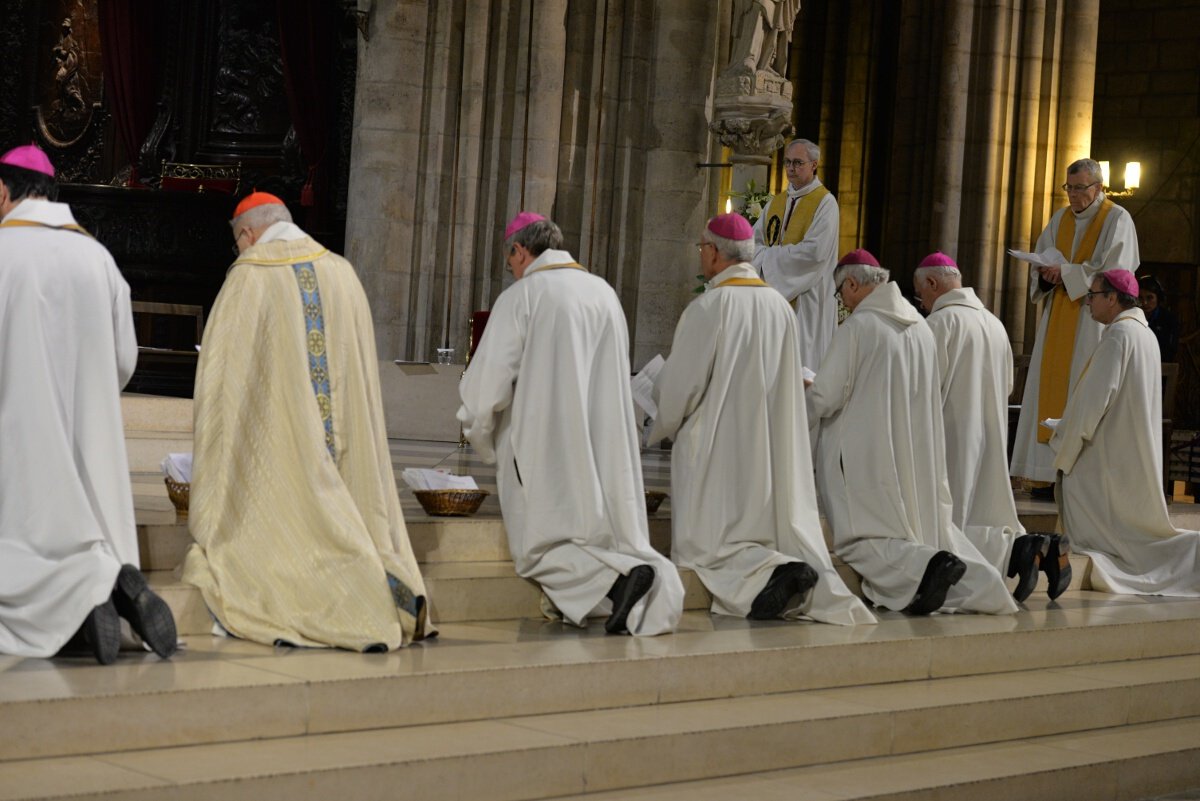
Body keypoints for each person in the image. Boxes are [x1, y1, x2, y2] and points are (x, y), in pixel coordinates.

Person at [183, 192, 433, 651]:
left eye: (238, 242)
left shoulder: (250, 277)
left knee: (274, 535)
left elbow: (221, 380)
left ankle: (335, 600)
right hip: (345, 450)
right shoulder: (342, 272)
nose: (241, 251)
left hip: (285, 452)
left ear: (247, 232)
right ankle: (383, 589)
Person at [458, 212, 684, 635]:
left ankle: (614, 583)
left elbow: (488, 383)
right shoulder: (603, 292)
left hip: (543, 441)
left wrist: (480, 434)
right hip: (601, 443)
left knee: (539, 545)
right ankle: (626, 572)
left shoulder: (523, 296)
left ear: (520, 251)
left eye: (510, 261)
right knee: (593, 527)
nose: (512, 270)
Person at [648, 214, 875, 625]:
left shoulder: (709, 307)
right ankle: (776, 566)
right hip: (767, 449)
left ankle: (765, 575)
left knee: (710, 546)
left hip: (717, 448)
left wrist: (657, 418)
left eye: (702, 247)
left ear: (715, 253)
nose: (701, 254)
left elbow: (680, 388)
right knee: (748, 529)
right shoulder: (778, 307)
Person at [0, 143, 176, 664]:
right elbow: (124, 359)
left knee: (27, 535)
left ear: (3, 191)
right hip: (86, 430)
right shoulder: (98, 257)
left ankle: (83, 594)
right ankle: (107, 587)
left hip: (20, 428)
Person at [807, 249, 1018, 616]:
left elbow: (825, 395)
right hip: (915, 454)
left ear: (853, 284)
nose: (843, 302)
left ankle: (925, 568)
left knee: (864, 539)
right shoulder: (920, 327)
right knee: (923, 530)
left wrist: (798, 403)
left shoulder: (859, 327)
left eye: (842, 294)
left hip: (866, 457)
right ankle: (982, 581)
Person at [915, 251, 1071, 601]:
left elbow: (921, 388)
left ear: (931, 283)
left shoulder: (938, 325)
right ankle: (1023, 547)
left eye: (921, 295)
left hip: (950, 436)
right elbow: (1008, 386)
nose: (922, 303)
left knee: (950, 519)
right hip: (992, 434)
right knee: (980, 513)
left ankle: (995, 562)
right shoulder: (995, 323)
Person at [1050, 270, 1200, 596]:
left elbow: (1093, 404)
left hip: (1108, 454)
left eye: (1093, 295)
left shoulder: (1118, 336)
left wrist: (1065, 444)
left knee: (1076, 485)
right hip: (1128, 448)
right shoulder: (1144, 334)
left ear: (1113, 298)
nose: (1087, 302)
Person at [1011, 158, 1140, 498]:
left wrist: (1066, 273)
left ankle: (1078, 477)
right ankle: (1045, 476)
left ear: (1098, 188)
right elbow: (1042, 256)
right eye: (1069, 188)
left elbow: (1117, 273)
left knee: (1082, 391)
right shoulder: (1060, 218)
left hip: (1092, 321)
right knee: (1050, 389)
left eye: (1081, 188)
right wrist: (1045, 273)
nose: (1073, 196)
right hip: (1058, 317)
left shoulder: (1117, 219)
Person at [752, 138, 841, 370]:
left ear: (814, 165)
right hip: (772, 299)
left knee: (801, 366)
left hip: (807, 298)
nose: (791, 168)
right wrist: (765, 257)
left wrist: (768, 259)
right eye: (788, 162)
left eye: (798, 163)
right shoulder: (776, 202)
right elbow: (753, 243)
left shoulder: (826, 203)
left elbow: (815, 254)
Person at [1138, 275, 1180, 362]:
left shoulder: (1169, 320)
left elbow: (1170, 351)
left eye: (1149, 298)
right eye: (1140, 298)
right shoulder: (1132, 317)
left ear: (1158, 298)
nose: (1144, 303)